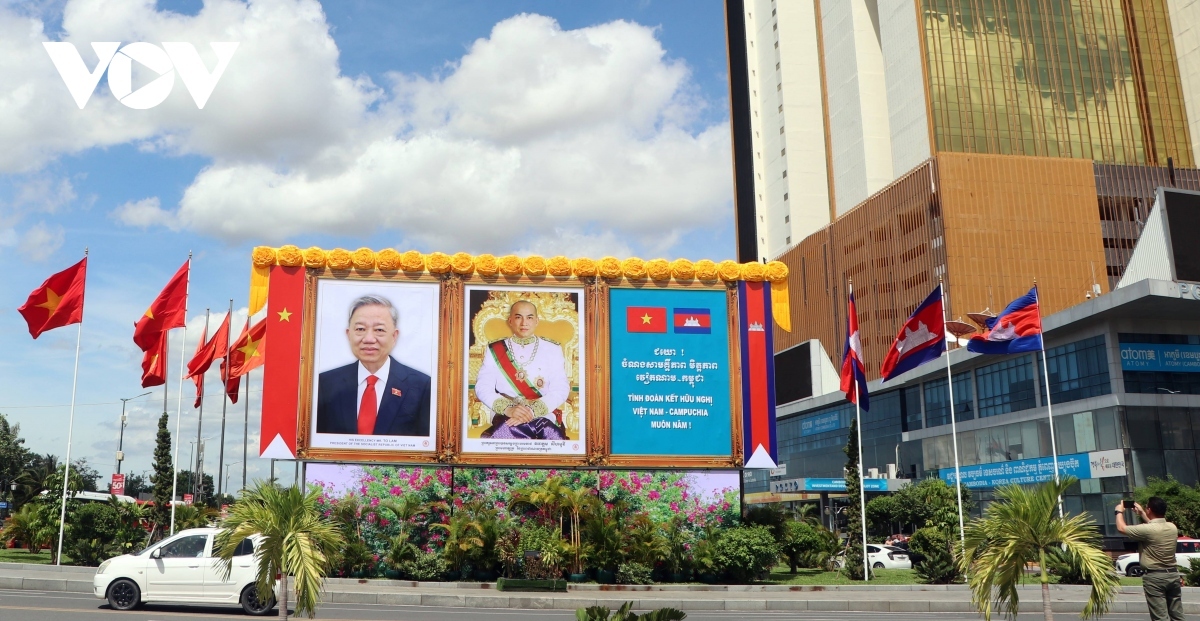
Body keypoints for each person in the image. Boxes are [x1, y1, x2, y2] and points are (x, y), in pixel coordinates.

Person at [316, 295, 431, 436]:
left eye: (379, 330)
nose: (369, 339)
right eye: (360, 329)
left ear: (394, 336)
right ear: (348, 334)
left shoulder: (421, 386)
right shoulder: (325, 383)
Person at [474, 300, 571, 440]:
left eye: (529, 317)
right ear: (510, 320)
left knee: (552, 438)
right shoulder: (495, 349)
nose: (524, 323)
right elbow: (483, 387)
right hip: (506, 415)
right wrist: (509, 409)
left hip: (543, 414)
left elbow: (560, 389)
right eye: (518, 317)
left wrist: (532, 411)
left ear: (537, 321)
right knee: (505, 435)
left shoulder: (553, 349)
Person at [1117, 497, 1184, 621]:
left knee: (1160, 617)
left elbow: (1121, 528)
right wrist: (1143, 513)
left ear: (1150, 509)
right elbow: (1155, 527)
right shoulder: (1172, 527)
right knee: (1177, 615)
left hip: (1155, 577)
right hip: (1173, 575)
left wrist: (1119, 512)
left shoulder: (1147, 529)